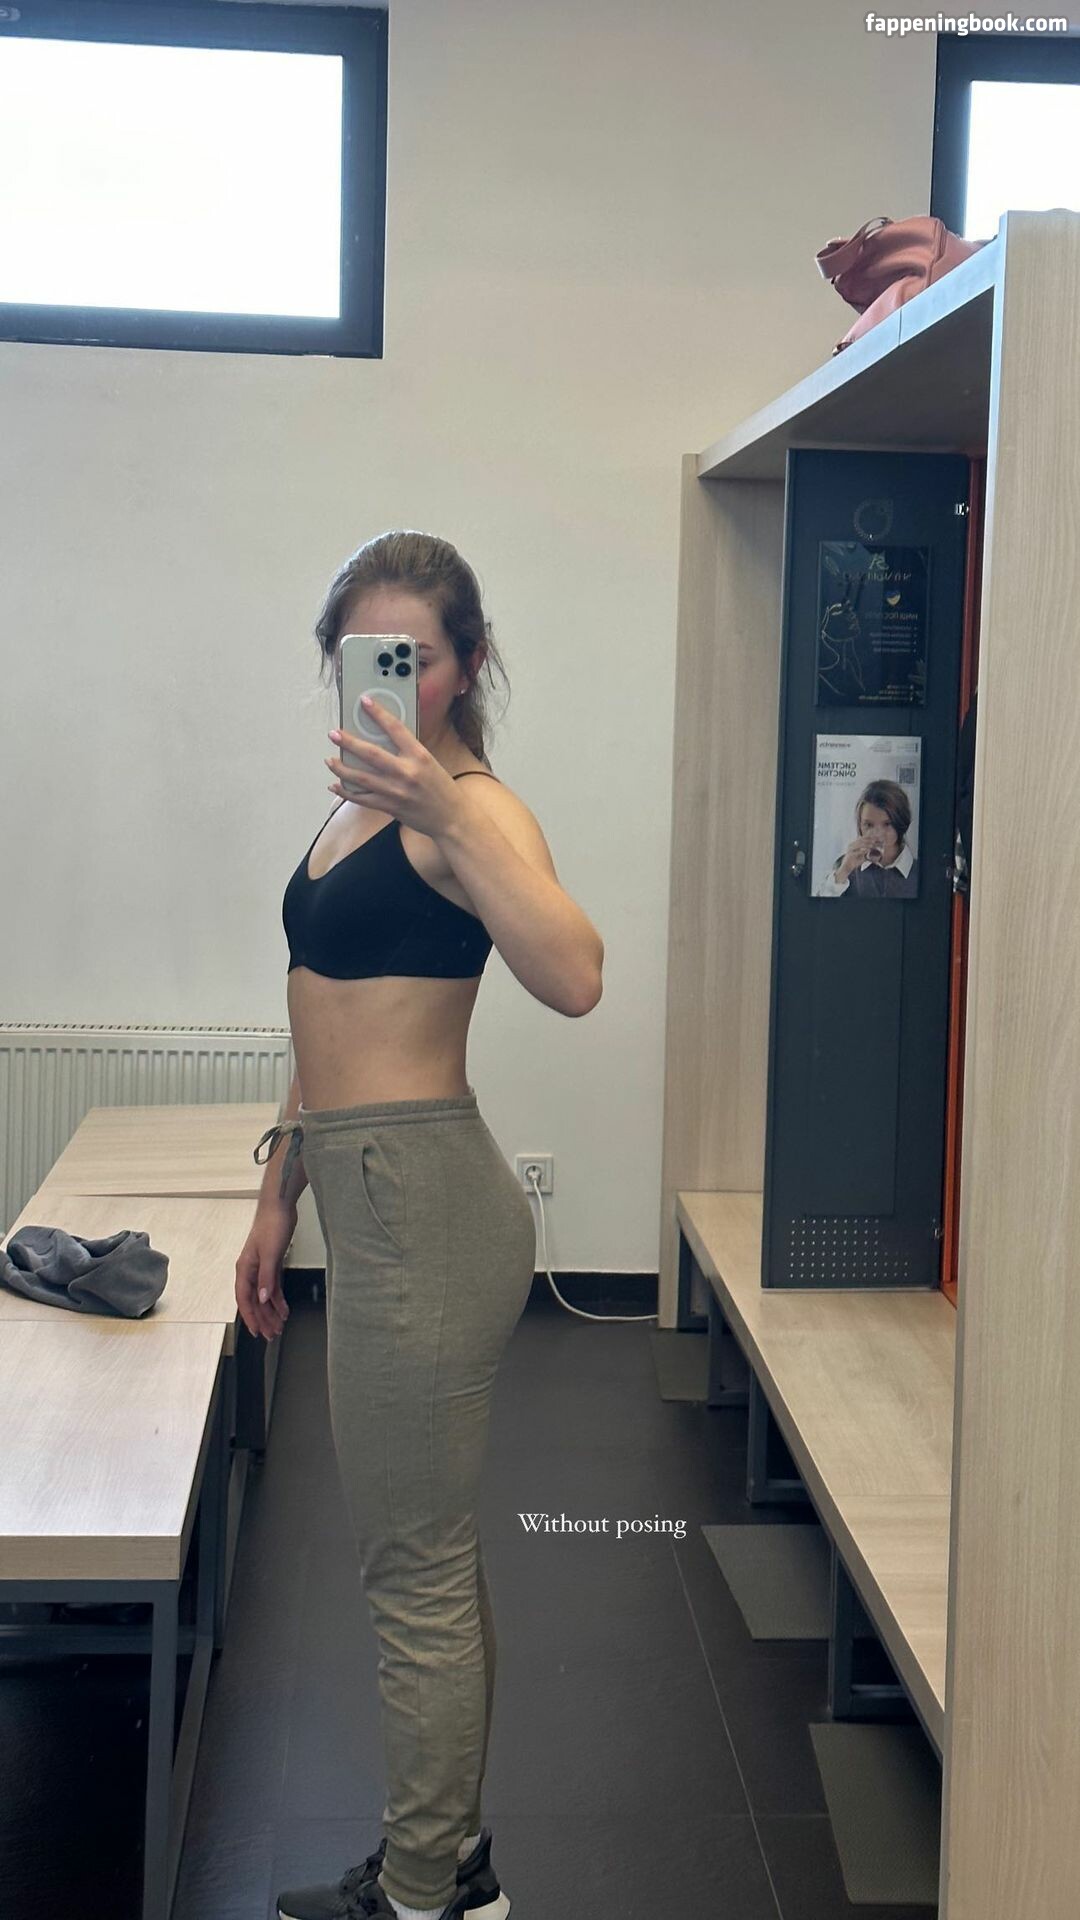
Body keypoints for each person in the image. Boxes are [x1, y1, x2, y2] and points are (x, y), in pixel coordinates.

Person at [235, 531, 605, 1920]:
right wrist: (278, 1188)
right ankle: (449, 1864)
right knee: (430, 1558)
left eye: (420, 655)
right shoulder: (352, 804)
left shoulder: (473, 812)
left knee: (415, 1572)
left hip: (423, 1209)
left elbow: (575, 973)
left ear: (468, 663)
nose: (394, 678)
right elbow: (322, 1008)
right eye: (365, 653)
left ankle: (418, 1894)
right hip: (366, 1185)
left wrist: (444, 810)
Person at [815, 778, 919, 899]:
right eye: (869, 825)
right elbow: (820, 908)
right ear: (860, 825)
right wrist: (843, 872)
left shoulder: (919, 871)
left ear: (901, 824)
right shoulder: (844, 865)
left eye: (887, 824)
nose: (877, 834)